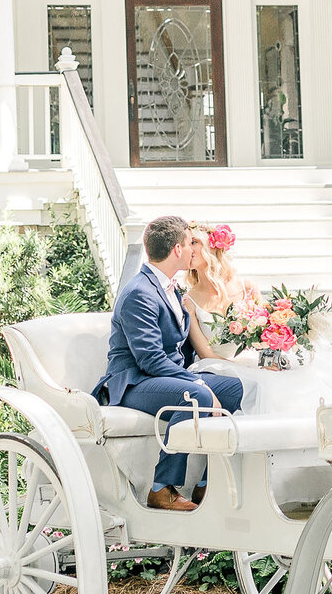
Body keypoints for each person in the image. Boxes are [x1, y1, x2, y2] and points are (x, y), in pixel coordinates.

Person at [100, 214, 246, 510]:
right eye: (189, 244)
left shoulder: (171, 289)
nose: (194, 249)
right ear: (177, 250)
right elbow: (151, 360)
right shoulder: (139, 293)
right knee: (197, 394)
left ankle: (207, 483)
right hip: (132, 382)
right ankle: (161, 487)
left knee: (234, 389)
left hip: (160, 378)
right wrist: (198, 380)